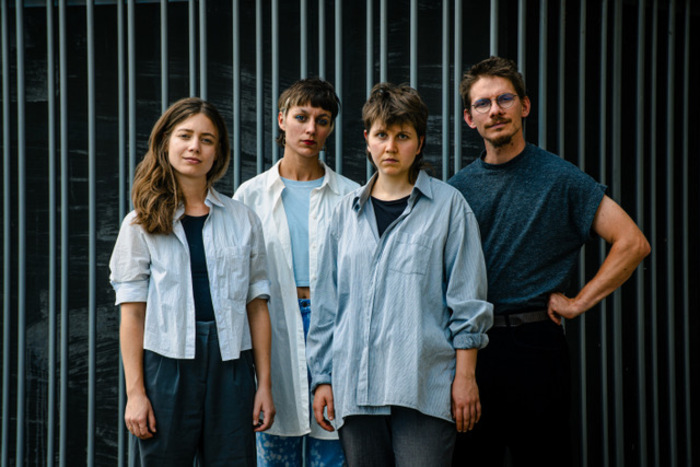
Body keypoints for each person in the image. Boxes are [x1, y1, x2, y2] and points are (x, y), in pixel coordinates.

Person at [448, 56, 651, 467]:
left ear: (524, 106)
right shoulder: (456, 191)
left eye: (504, 98)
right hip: (471, 351)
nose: (496, 110)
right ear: (470, 119)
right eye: (483, 104)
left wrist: (578, 303)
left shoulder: (560, 178)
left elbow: (632, 242)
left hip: (536, 348)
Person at [307, 82, 493, 467]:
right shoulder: (342, 215)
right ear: (367, 140)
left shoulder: (449, 207)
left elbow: (467, 302)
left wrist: (465, 378)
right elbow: (326, 307)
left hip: (424, 385)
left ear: (420, 142)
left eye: (402, 136)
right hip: (355, 388)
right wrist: (322, 378)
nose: (391, 147)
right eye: (382, 135)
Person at [109, 97, 275, 466]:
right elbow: (132, 315)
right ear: (166, 142)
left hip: (232, 365)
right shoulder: (140, 224)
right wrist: (136, 393)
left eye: (207, 139)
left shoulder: (243, 219)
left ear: (218, 152)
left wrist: (263, 384)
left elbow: (257, 305)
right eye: (185, 136)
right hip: (166, 365)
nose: (194, 147)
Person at [234, 77, 358, 466]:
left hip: (334, 329)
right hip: (272, 325)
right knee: (274, 451)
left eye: (322, 120)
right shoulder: (249, 196)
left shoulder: (352, 196)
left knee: (333, 448)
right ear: (282, 120)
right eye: (302, 117)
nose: (311, 129)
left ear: (331, 128)